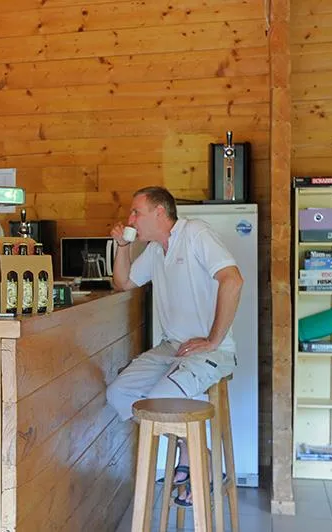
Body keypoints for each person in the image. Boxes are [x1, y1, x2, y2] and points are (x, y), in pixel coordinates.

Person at [105, 186, 243, 507]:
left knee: (157, 400)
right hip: (172, 348)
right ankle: (193, 451)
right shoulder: (155, 250)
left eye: (136, 212)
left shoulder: (194, 233)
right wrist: (122, 247)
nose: (130, 218)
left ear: (160, 213)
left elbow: (232, 280)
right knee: (119, 395)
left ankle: (200, 462)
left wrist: (213, 340)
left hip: (211, 352)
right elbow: (123, 282)